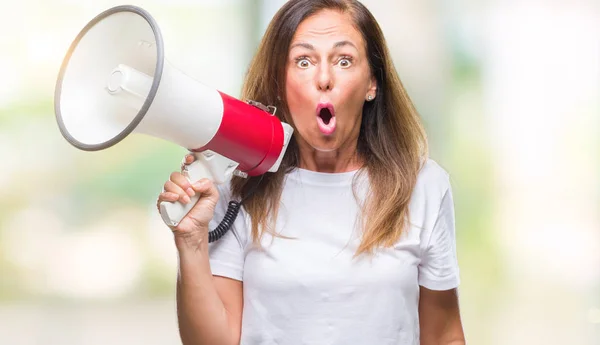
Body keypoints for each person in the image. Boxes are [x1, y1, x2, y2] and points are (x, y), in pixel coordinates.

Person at [156, 0, 465, 344]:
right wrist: (191, 241)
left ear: (371, 84)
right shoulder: (239, 188)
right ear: (280, 83)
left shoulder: (422, 186)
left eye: (343, 60)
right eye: (303, 61)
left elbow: (444, 335)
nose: (323, 78)